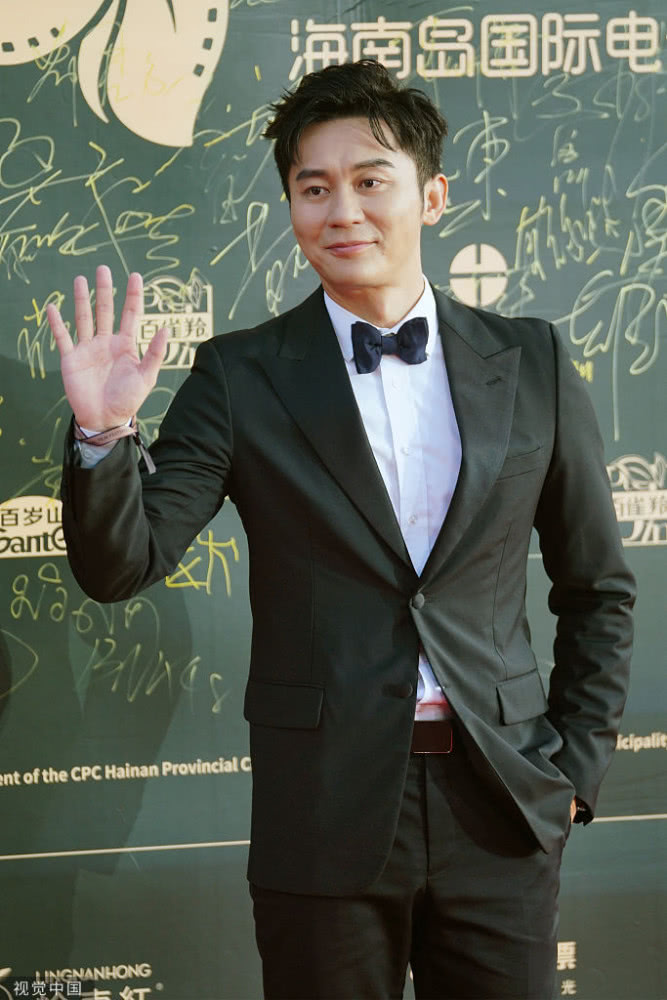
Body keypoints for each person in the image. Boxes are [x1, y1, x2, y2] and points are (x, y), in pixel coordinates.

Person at [47, 60, 635, 1000]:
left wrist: (571, 773)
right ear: (290, 207)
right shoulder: (241, 376)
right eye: (313, 188)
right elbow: (122, 566)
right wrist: (104, 433)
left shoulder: (531, 358)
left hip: (502, 800)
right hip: (321, 810)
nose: (342, 211)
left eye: (370, 181)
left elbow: (596, 586)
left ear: (430, 196)